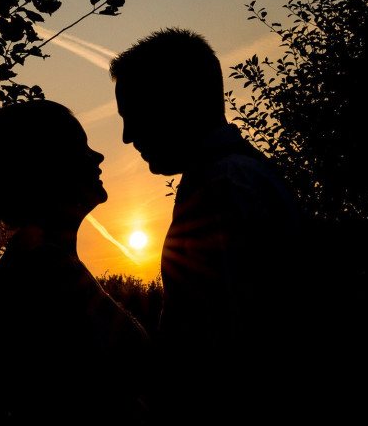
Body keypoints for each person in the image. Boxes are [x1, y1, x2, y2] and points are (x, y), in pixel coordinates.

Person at [110, 28, 307, 409]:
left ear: (176, 102)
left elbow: (230, 347)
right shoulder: (232, 178)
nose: (127, 136)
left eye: (133, 114)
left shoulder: (225, 186)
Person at [0, 99, 152, 424]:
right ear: (49, 166)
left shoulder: (46, 256)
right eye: (82, 148)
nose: (98, 157)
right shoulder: (42, 265)